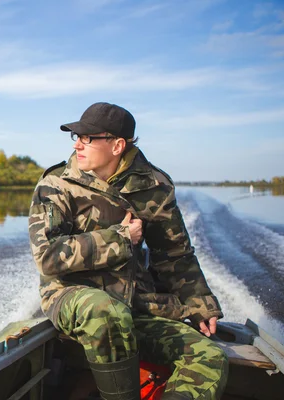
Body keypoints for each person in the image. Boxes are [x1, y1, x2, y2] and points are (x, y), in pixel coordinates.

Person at [28, 102, 228, 400]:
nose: (78, 145)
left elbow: (174, 253)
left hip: (135, 303)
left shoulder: (155, 186)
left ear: (118, 145)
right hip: (72, 296)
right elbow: (48, 257)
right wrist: (120, 238)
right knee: (106, 311)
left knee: (209, 357)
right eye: (77, 137)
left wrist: (199, 302)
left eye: (88, 138)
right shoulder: (57, 185)